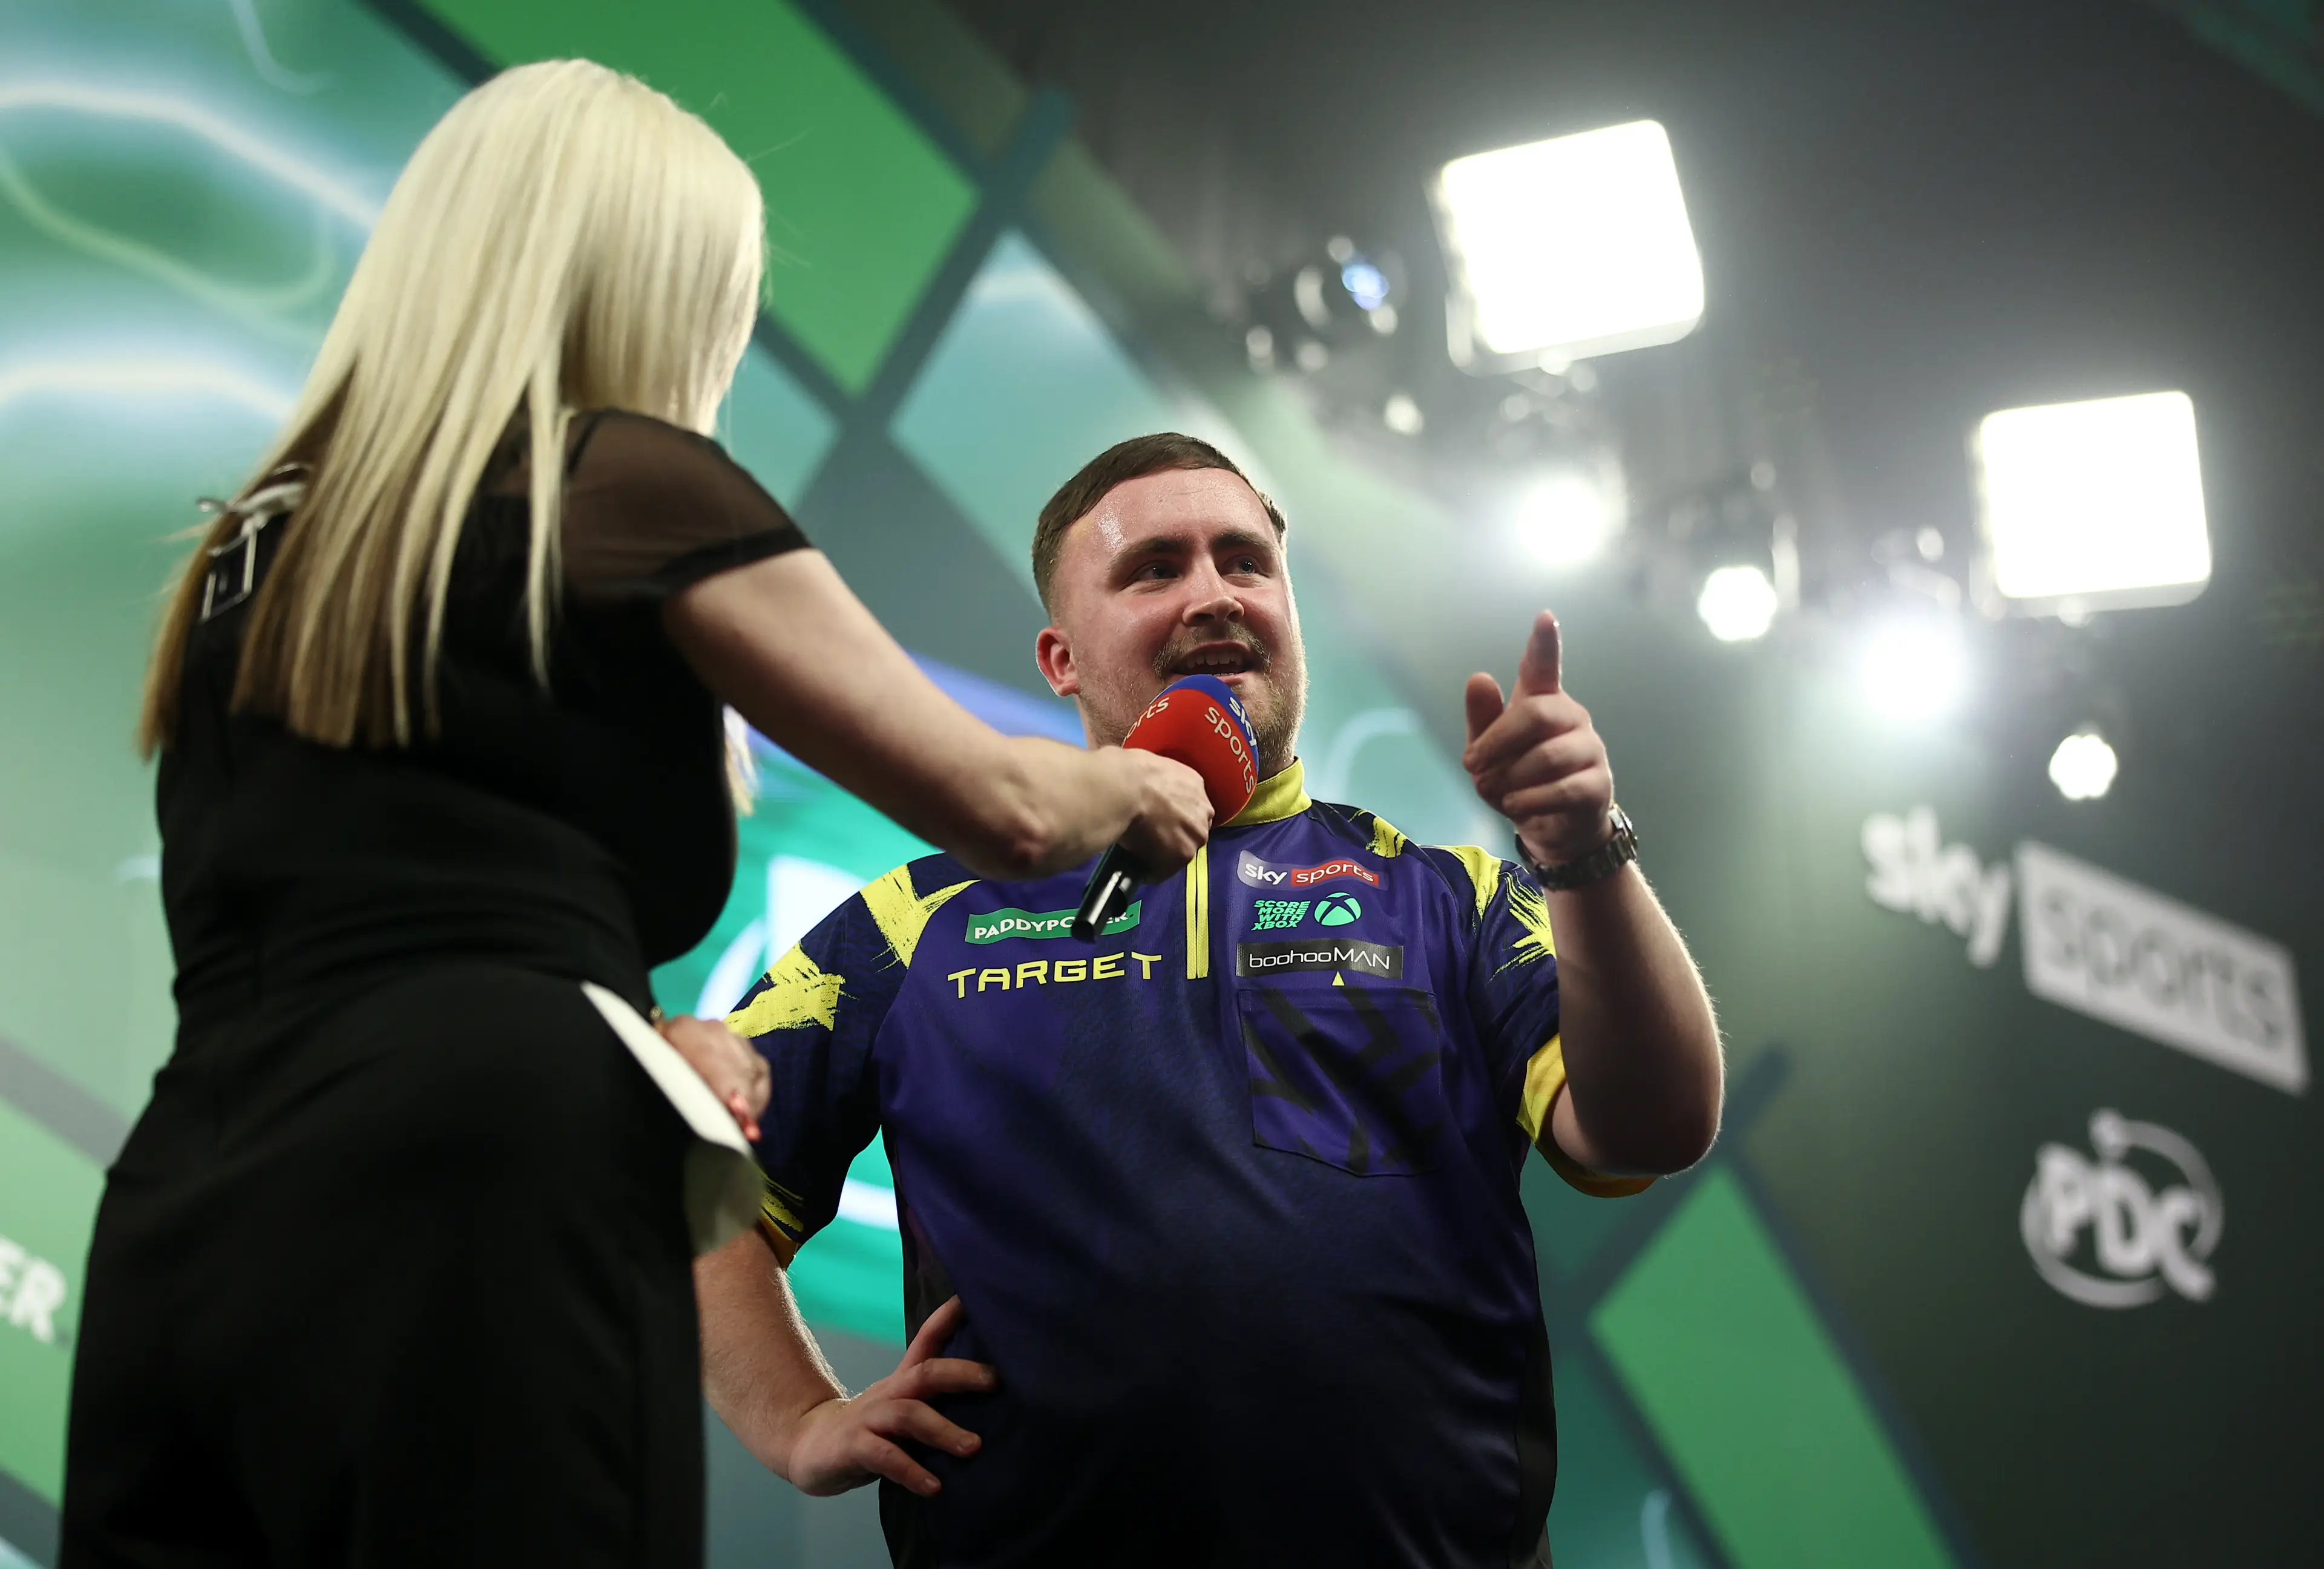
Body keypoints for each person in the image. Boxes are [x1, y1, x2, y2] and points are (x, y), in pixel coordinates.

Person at [59, 64, 1210, 1569]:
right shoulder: (622, 480)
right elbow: (1001, 802)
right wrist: (1146, 778)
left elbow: (379, 915)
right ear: (649, 287)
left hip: (194, 1203)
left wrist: (610, 1018)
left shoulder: (254, 549)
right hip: (489, 1194)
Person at [697, 433, 1726, 1567]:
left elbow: (1653, 1129)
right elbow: (688, 1186)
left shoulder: (1451, 894)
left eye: (1245, 562)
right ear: (1061, 657)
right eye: (1154, 570)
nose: (1213, 596)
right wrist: (798, 1419)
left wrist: (1583, 851)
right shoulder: (913, 919)